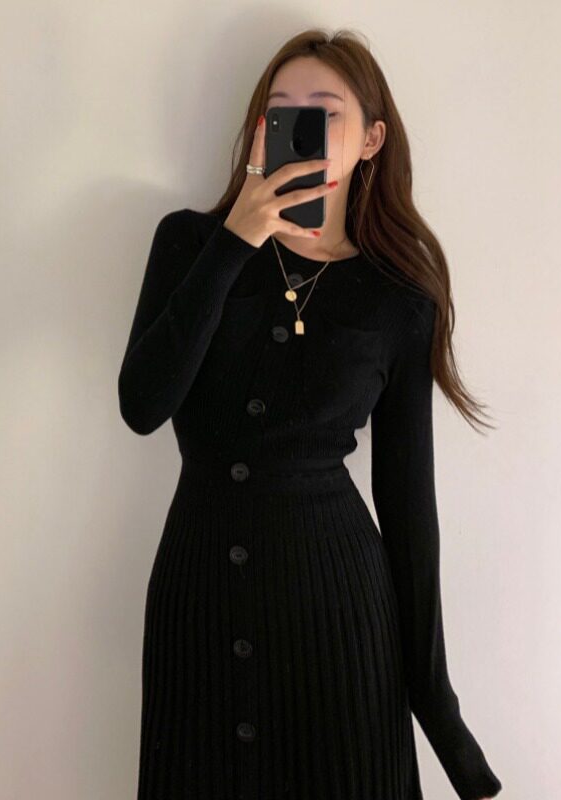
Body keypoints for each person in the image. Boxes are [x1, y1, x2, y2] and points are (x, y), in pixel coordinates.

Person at [118, 27, 503, 800]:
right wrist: (236, 242)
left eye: (324, 113)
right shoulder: (189, 243)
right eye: (281, 112)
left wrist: (438, 707)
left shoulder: (398, 299)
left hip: (336, 610)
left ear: (371, 140)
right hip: (199, 591)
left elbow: (409, 509)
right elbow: (143, 405)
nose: (299, 128)